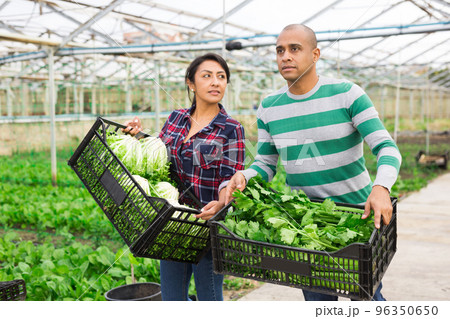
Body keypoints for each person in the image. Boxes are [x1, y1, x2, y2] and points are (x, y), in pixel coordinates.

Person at [224, 24, 402, 301]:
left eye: (295, 49)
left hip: (357, 218)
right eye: (280, 50)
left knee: (367, 298)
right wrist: (245, 176)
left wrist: (381, 188)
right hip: (304, 225)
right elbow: (265, 163)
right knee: (317, 302)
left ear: (315, 54)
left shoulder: (347, 94)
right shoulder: (270, 106)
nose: (285, 56)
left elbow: (387, 147)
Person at [123, 53, 246, 301]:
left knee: (209, 297)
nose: (215, 82)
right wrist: (136, 137)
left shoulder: (231, 128)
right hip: (171, 222)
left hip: (207, 228)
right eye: (207, 76)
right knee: (172, 299)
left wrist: (223, 202)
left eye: (221, 77)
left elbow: (229, 178)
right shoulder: (176, 118)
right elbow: (161, 158)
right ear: (190, 83)